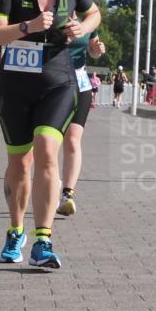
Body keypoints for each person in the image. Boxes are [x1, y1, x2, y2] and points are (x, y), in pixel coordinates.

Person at [0, 0, 101, 269]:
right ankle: (15, 230)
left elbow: (93, 13)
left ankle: (44, 241)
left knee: (48, 149)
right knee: (20, 163)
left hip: (57, 81)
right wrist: (28, 26)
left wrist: (84, 27)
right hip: (15, 85)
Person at [56, 29, 105, 217]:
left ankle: (67, 195)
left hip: (80, 82)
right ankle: (52, 183)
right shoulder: (55, 11)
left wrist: (97, 49)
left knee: (73, 139)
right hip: (54, 80)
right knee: (50, 141)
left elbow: (93, 50)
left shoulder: (88, 17)